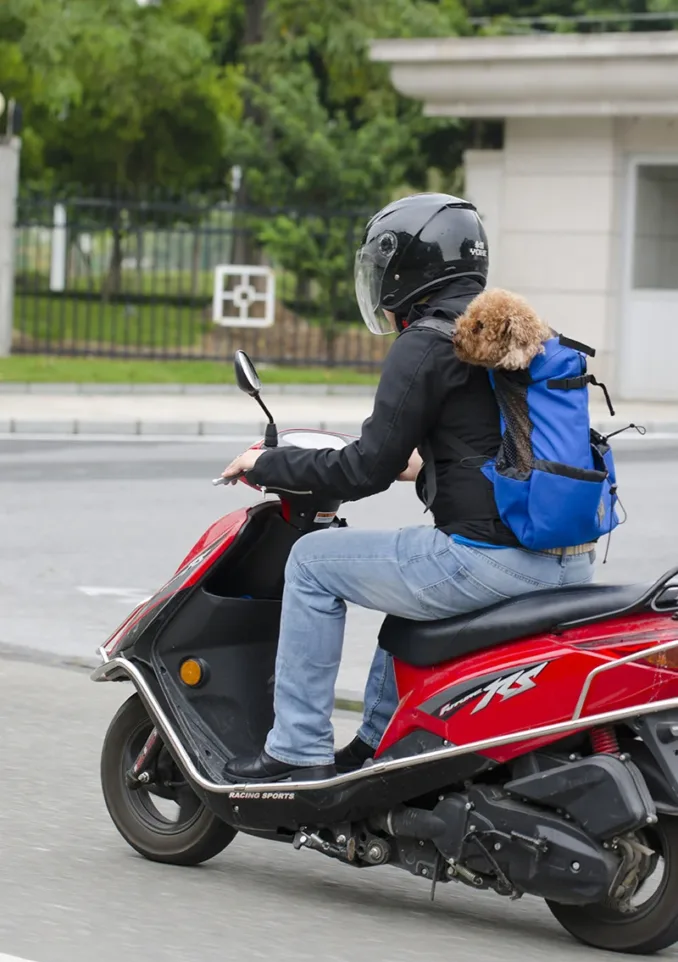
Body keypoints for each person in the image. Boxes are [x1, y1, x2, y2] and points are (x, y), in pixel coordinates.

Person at [222, 193, 595, 782]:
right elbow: (502, 448)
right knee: (400, 566)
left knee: (314, 561)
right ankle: (374, 749)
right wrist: (425, 470)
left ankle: (295, 750)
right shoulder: (509, 337)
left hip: (492, 560)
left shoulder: (428, 342)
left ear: (409, 267)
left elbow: (361, 471)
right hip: (569, 563)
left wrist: (265, 464)